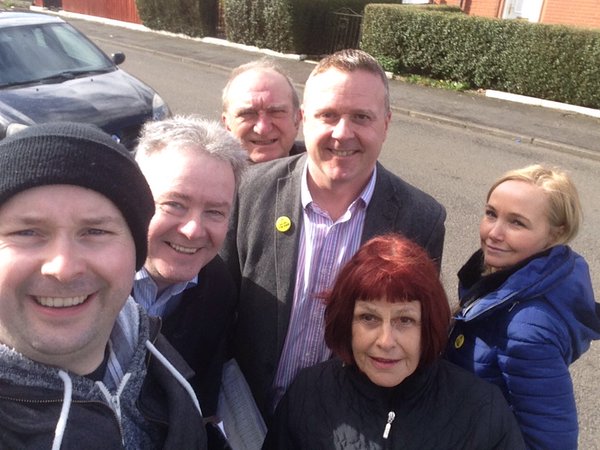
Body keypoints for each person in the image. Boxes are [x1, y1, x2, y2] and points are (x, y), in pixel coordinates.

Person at [221, 49, 446, 419]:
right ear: (304, 118)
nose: (343, 133)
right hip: (246, 416)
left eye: (361, 117)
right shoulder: (248, 192)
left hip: (343, 425)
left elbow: (411, 341)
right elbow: (214, 312)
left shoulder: (420, 219)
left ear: (386, 124)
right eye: (328, 115)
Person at [0, 122, 207, 449]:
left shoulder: (148, 348)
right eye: (27, 233)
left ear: (136, 253)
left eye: (95, 232)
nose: (64, 268)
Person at [263, 234, 525, 449]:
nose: (386, 341)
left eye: (405, 320)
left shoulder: (482, 410)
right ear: (346, 322)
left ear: (429, 324)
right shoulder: (309, 393)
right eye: (368, 317)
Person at [445, 164, 600, 450]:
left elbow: (551, 441)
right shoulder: (498, 279)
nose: (494, 232)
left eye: (517, 223)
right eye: (491, 214)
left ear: (556, 233)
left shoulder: (527, 324)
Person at [133, 116, 247, 422]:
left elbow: (201, 397)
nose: (193, 230)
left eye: (215, 212)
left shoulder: (219, 287)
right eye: (174, 204)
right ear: (133, 198)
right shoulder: (82, 283)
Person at [221, 58, 304, 162]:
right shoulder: (206, 175)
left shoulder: (322, 171)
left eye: (276, 112)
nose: (263, 129)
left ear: (297, 119)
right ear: (227, 124)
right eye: (247, 114)